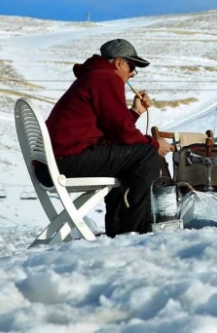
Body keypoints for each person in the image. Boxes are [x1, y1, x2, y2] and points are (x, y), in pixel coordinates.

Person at [46, 39, 173, 237]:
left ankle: (122, 232)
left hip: (57, 161)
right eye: (132, 66)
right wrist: (155, 144)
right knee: (146, 154)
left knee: (130, 158)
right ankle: (136, 232)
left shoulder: (93, 78)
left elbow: (112, 132)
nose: (132, 73)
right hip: (68, 160)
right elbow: (122, 132)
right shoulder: (106, 78)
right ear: (118, 63)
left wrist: (135, 112)